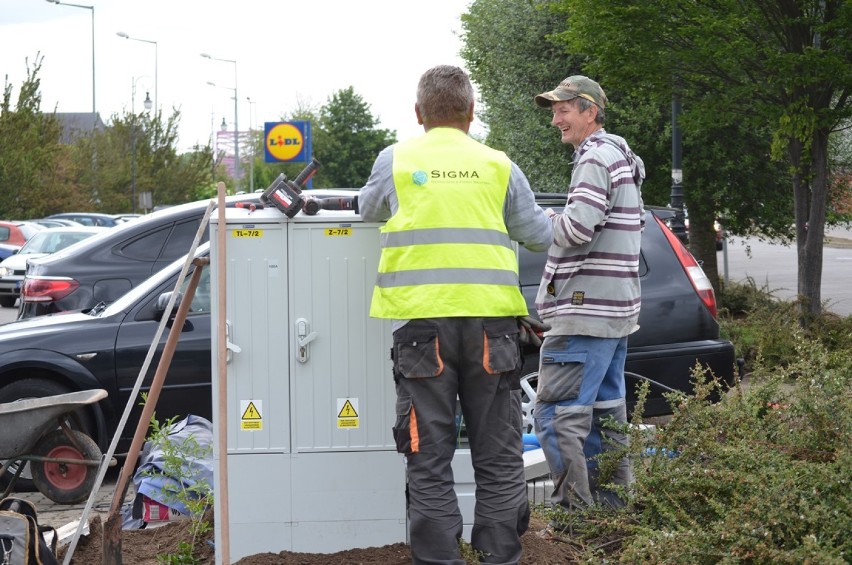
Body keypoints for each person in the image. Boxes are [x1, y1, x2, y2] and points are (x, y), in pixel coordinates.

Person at [358, 64, 553, 565]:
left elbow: (367, 210)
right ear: (471, 112)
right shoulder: (498, 164)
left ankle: (441, 559)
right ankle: (498, 557)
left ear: (419, 113)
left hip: (424, 330)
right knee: (499, 454)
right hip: (494, 329)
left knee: (429, 456)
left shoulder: (396, 159)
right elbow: (538, 234)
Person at [530, 76, 646, 535]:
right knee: (604, 416)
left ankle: (576, 522)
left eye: (563, 110)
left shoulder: (595, 157)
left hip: (585, 310)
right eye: (554, 111)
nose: (556, 119)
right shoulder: (621, 156)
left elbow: (578, 228)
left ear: (589, 111)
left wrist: (541, 221)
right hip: (614, 313)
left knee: (554, 417)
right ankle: (614, 519)